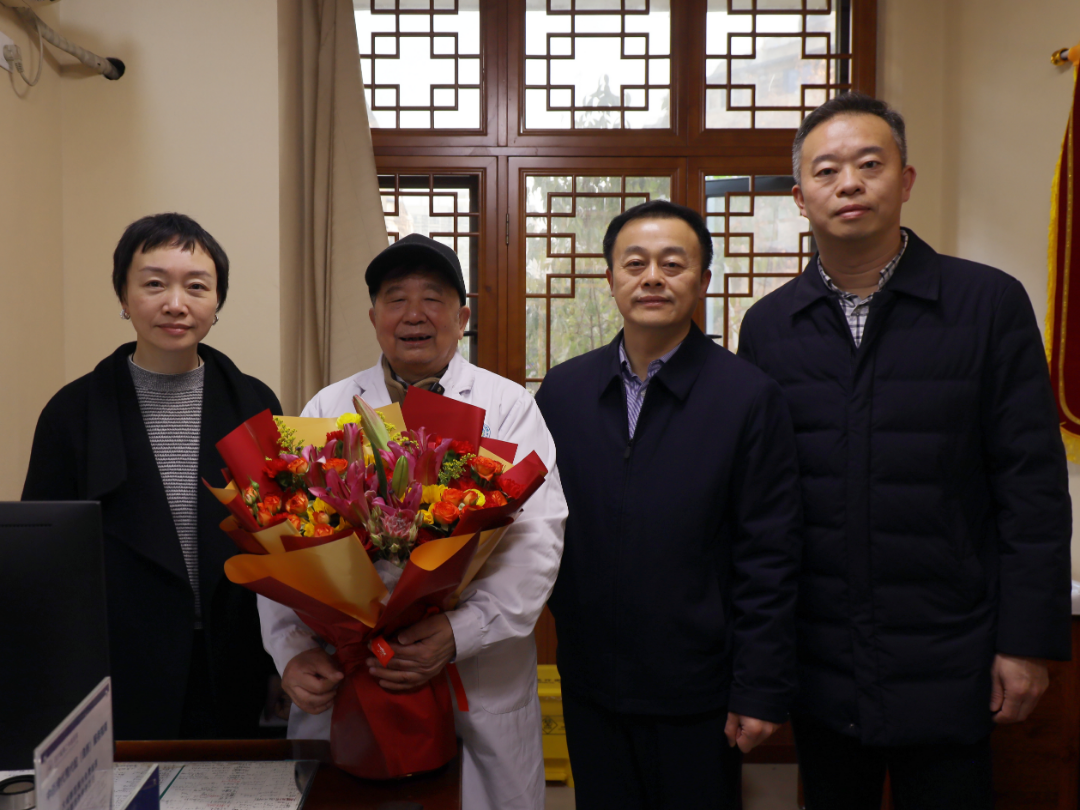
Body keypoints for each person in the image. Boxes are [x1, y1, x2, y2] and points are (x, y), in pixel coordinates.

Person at [736, 93, 1074, 810]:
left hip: (955, 653)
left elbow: (1033, 489)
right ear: (800, 197)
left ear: (906, 180)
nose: (849, 184)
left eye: (870, 164)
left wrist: (1025, 642)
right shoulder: (770, 327)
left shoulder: (987, 304)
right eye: (826, 171)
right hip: (822, 661)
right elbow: (763, 509)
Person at [258, 233, 567, 810]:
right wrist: (290, 651)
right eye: (396, 298)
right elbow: (283, 538)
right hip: (351, 677)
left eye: (433, 298)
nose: (414, 314)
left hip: (476, 677)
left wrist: (459, 632)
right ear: (374, 317)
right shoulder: (328, 408)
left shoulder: (508, 408)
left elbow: (536, 541)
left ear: (462, 317)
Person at [533, 201, 803, 810]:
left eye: (673, 264)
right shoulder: (564, 391)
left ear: (702, 280)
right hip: (590, 680)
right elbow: (539, 528)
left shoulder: (747, 396)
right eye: (635, 264)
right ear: (610, 279)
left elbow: (770, 553)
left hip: (699, 688)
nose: (652, 278)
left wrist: (758, 685)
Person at [22, 213, 282, 740]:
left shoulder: (255, 403)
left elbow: (283, 544)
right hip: (117, 668)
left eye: (197, 286)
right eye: (155, 284)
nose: (176, 303)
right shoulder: (72, 412)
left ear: (217, 301)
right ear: (123, 296)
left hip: (234, 663)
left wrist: (284, 660)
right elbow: (43, 564)